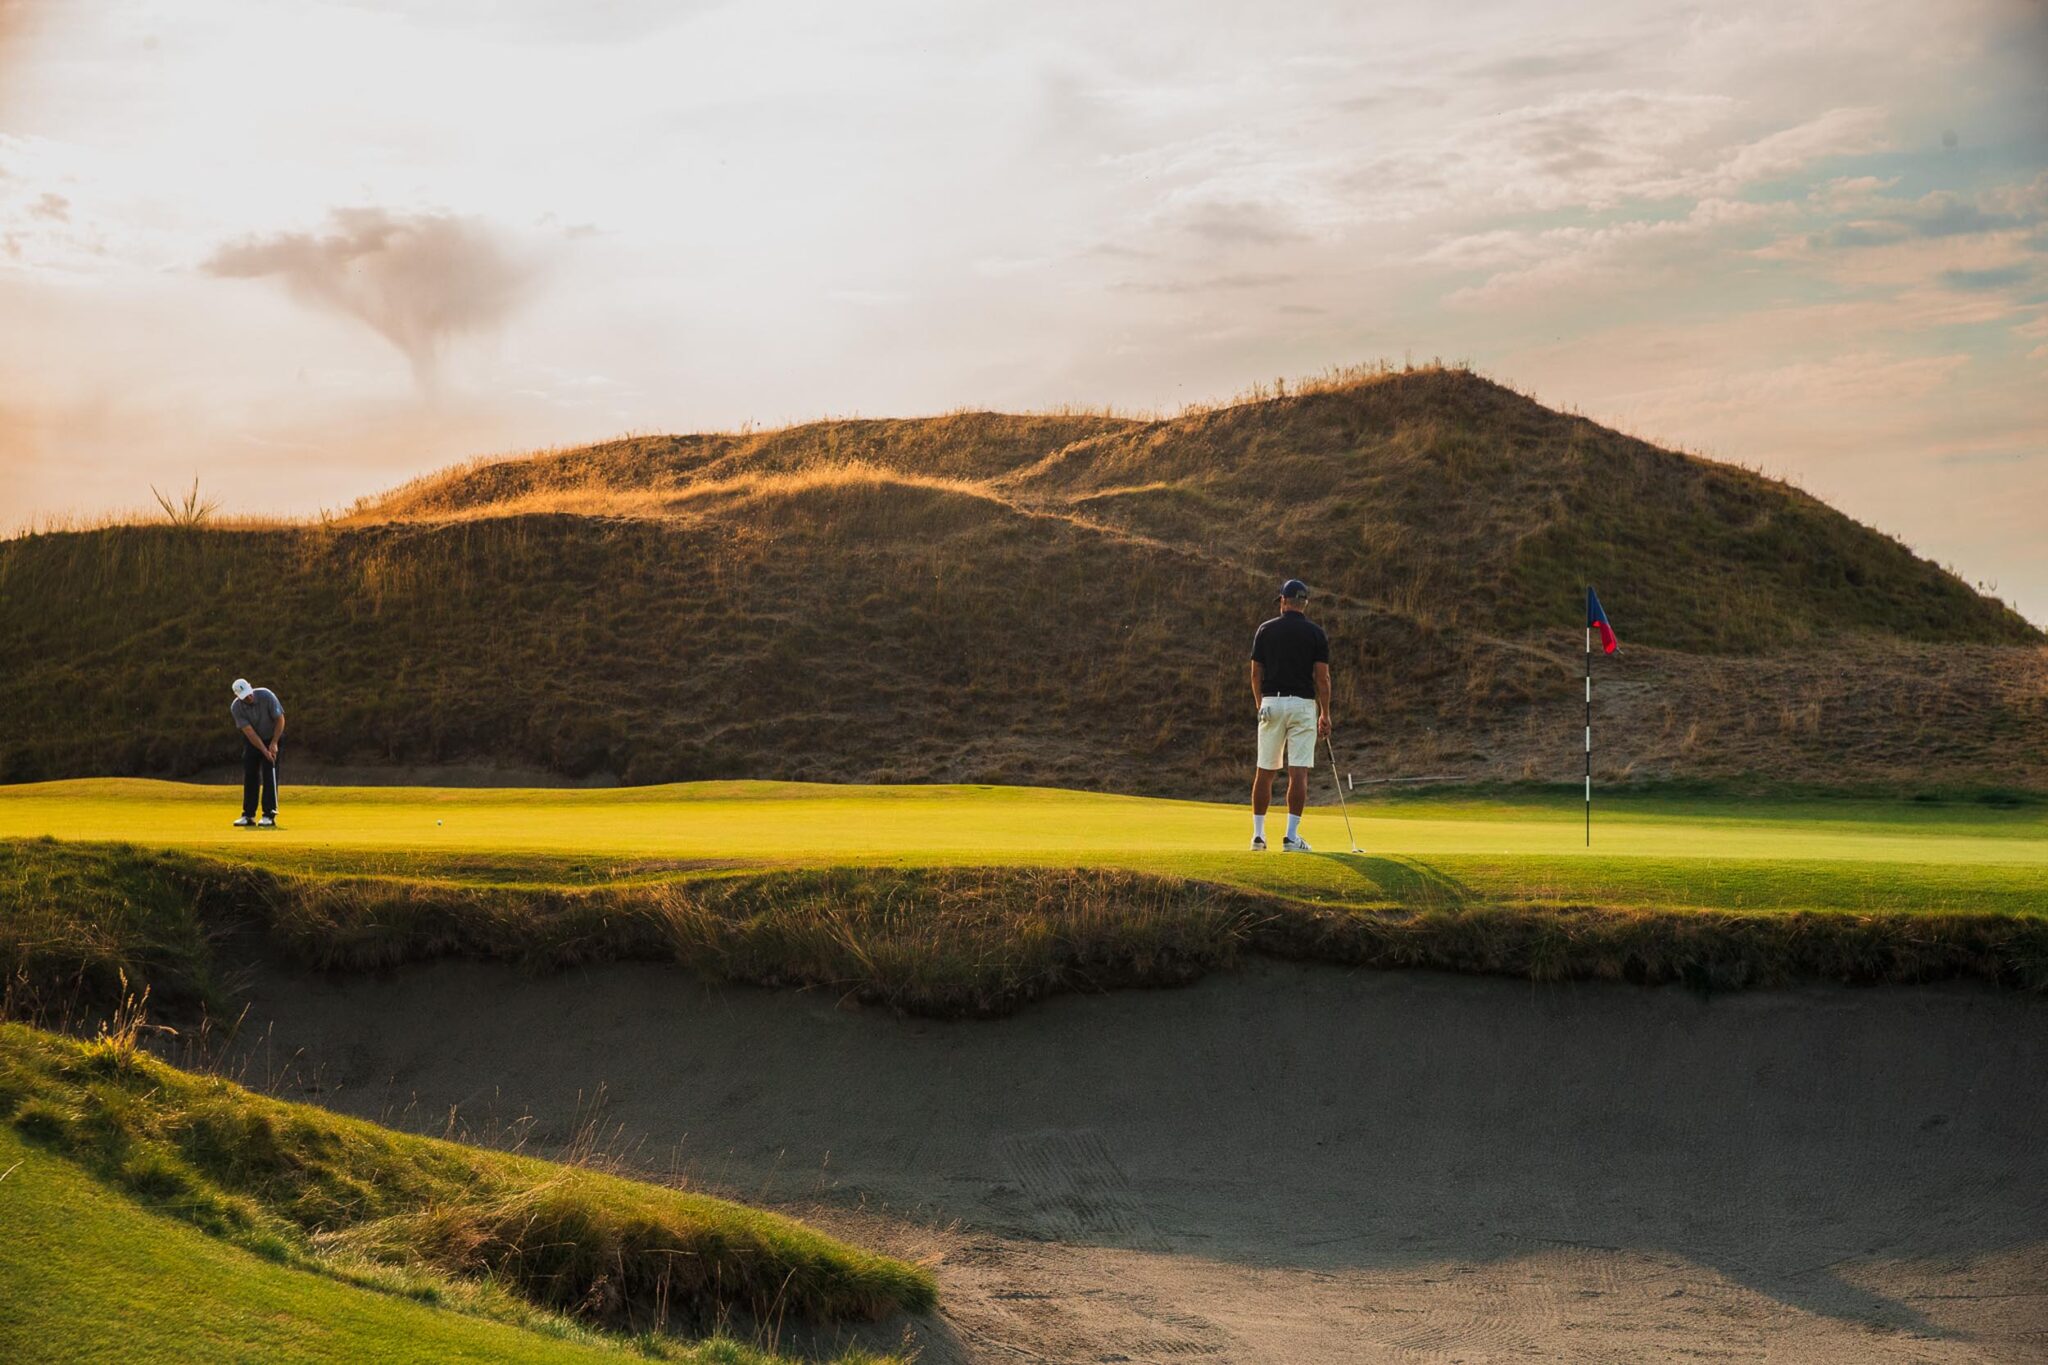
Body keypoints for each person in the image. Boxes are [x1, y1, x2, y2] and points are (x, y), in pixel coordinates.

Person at [1248, 579, 1329, 851]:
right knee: (1298, 773)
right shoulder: (1316, 634)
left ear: (1283, 601)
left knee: (1265, 770)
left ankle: (1258, 836)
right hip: (1303, 705)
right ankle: (1291, 837)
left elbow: (1255, 673)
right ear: (1304, 602)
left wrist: (1260, 703)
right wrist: (1325, 714)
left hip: (1271, 702)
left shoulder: (1265, 630)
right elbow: (1322, 678)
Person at [230, 677, 285, 828]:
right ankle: (248, 815)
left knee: (270, 773)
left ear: (250, 687)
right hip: (254, 741)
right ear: (237, 696)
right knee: (250, 774)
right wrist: (263, 750)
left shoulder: (266, 695)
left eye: (249, 693)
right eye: (244, 697)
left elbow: (280, 720)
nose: (249, 698)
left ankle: (269, 815)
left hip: (274, 736)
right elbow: (250, 733)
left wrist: (273, 743)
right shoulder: (236, 708)